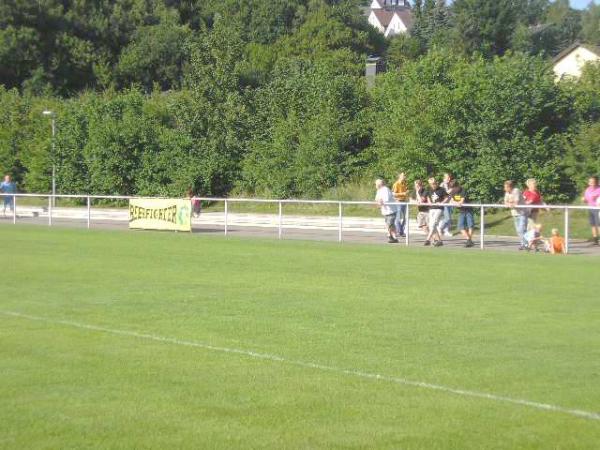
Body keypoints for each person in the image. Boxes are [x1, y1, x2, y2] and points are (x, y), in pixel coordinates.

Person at [449, 180, 475, 247]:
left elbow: (461, 202)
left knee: (470, 225)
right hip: (461, 211)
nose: (453, 189)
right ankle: (469, 240)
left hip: (468, 210)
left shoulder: (463, 190)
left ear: (458, 186)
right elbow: (451, 201)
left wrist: (457, 203)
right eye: (452, 188)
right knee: (460, 226)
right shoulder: (452, 192)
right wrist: (456, 203)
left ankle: (469, 241)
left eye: (454, 187)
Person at [503, 180, 528, 250]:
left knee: (521, 229)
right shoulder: (507, 193)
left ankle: (526, 244)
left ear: (509, 187)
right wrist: (510, 203)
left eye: (505, 187)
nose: (504, 189)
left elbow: (516, 203)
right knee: (518, 230)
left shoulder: (516, 191)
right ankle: (523, 243)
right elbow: (505, 203)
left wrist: (510, 203)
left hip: (522, 213)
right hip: (515, 213)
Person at [424, 177, 448, 247]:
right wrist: (429, 202)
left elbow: (447, 197)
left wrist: (442, 203)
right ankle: (440, 241)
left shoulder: (441, 189)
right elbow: (427, 197)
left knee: (433, 223)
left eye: (433, 184)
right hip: (431, 208)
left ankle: (427, 239)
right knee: (432, 225)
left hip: (439, 208)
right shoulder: (429, 189)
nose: (432, 185)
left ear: (436, 183)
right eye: (431, 184)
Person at [375, 179, 398, 243]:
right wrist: (378, 202)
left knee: (389, 224)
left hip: (391, 211)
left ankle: (389, 236)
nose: (375, 185)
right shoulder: (378, 191)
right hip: (385, 211)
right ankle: (394, 237)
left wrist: (380, 202)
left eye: (376, 184)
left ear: (379, 184)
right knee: (391, 225)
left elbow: (386, 199)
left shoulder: (386, 189)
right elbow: (376, 199)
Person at [582, 176, 600, 245]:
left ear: (596, 182)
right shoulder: (587, 190)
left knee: (599, 224)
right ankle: (595, 240)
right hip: (590, 208)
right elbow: (587, 200)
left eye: (593, 182)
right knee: (592, 224)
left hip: (598, 209)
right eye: (590, 182)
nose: (592, 183)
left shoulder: (599, 189)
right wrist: (584, 200)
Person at [392, 172, 409, 237]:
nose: (405, 176)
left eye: (405, 175)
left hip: (404, 201)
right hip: (398, 202)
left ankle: (401, 230)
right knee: (398, 218)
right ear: (399, 176)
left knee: (405, 217)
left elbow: (406, 192)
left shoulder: (404, 183)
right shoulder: (396, 184)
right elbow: (393, 194)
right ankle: (399, 231)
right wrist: (402, 194)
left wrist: (407, 193)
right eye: (403, 175)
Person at [439, 172, 454, 237]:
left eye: (449, 177)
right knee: (447, 218)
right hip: (444, 203)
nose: (448, 179)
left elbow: (453, 194)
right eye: (447, 177)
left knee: (449, 218)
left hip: (450, 203)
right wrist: (448, 191)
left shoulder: (451, 184)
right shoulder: (442, 185)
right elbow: (440, 194)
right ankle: (440, 227)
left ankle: (446, 231)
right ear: (444, 178)